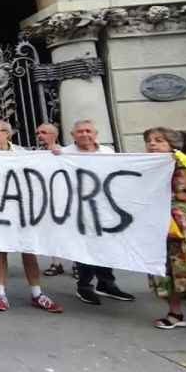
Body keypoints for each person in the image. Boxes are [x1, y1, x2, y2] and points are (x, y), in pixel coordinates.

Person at [0, 120, 62, 313]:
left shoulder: (23, 154)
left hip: (21, 210)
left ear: (7, 134)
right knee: (0, 248)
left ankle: (37, 293)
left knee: (29, 248)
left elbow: (41, 169)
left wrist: (55, 156)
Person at [59, 119, 135, 305]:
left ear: (95, 133)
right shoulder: (63, 154)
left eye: (88, 131)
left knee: (106, 247)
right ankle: (84, 286)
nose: (84, 134)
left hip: (105, 209)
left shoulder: (108, 153)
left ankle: (106, 284)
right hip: (78, 211)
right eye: (80, 131)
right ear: (72, 135)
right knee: (84, 249)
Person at [145, 127, 186, 329]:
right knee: (166, 272)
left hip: (182, 227)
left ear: (172, 145)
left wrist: (173, 197)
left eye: (159, 140)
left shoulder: (183, 165)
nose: (152, 144)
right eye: (150, 141)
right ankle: (175, 313)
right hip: (156, 226)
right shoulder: (145, 167)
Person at [35, 123, 68, 278]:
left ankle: (76, 264)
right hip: (45, 198)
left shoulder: (65, 153)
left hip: (64, 198)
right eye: (38, 133)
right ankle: (56, 263)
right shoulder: (34, 154)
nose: (40, 135)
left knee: (69, 231)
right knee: (53, 232)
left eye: (43, 132)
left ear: (54, 135)